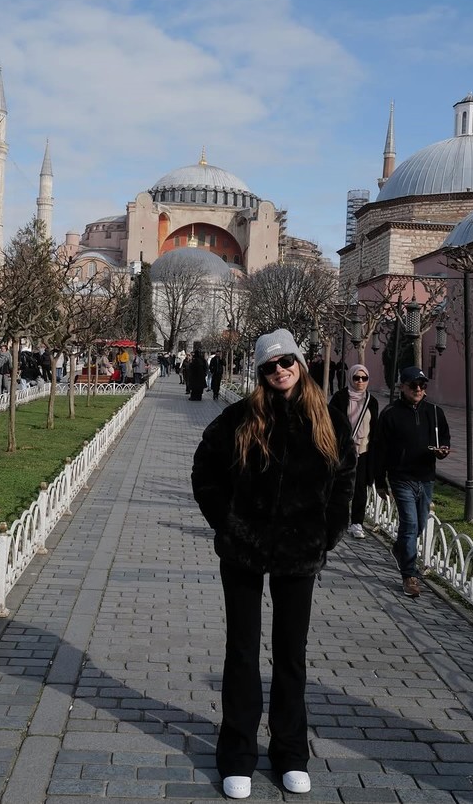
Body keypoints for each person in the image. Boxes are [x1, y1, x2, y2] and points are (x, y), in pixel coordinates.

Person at [192, 329, 356, 799]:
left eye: (286, 361)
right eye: (269, 365)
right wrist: (227, 522)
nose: (280, 370)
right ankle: (238, 754)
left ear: (300, 363)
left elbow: (346, 475)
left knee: (291, 654)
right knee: (242, 651)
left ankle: (290, 752)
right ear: (260, 372)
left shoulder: (327, 419)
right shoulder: (241, 418)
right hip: (244, 550)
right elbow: (204, 469)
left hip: (299, 551)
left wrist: (329, 531)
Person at [375, 366, 451, 598]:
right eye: (413, 385)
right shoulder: (390, 413)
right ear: (402, 387)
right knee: (409, 525)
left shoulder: (435, 412)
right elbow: (379, 449)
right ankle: (410, 575)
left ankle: (400, 549)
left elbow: (444, 438)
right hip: (401, 477)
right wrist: (379, 481)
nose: (418, 389)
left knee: (420, 525)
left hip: (426, 476)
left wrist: (442, 451)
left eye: (422, 385)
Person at [329, 364, 379, 540]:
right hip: (342, 450)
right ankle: (335, 518)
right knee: (339, 485)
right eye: (356, 378)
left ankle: (357, 522)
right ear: (350, 378)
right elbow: (331, 423)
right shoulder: (340, 398)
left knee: (360, 487)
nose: (360, 382)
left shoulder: (371, 401)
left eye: (364, 378)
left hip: (363, 450)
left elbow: (374, 428)